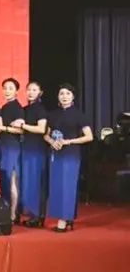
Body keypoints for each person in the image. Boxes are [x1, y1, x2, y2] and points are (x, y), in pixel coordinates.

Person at [45, 84, 92, 232]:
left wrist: (68, 142)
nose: (64, 96)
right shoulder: (52, 114)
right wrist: (52, 141)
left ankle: (64, 220)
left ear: (73, 96)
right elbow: (46, 134)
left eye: (68, 93)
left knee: (68, 187)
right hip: (55, 153)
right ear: (58, 96)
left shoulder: (79, 115)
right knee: (56, 186)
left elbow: (89, 137)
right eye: (61, 93)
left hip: (71, 154)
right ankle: (67, 218)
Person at [0, 78, 26, 222]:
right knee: (5, 179)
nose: (7, 91)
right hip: (3, 145)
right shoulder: (4, 107)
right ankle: (8, 211)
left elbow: (20, 130)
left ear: (16, 91)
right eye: (5, 88)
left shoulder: (17, 107)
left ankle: (14, 213)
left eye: (10, 88)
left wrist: (3, 128)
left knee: (12, 179)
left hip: (12, 146)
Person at [20, 81, 49, 227]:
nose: (31, 92)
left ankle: (38, 216)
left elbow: (41, 129)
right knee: (28, 182)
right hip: (26, 147)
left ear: (40, 93)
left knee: (37, 182)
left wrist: (23, 125)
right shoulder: (24, 109)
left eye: (34, 90)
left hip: (37, 148)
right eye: (29, 90)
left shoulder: (40, 109)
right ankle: (31, 214)